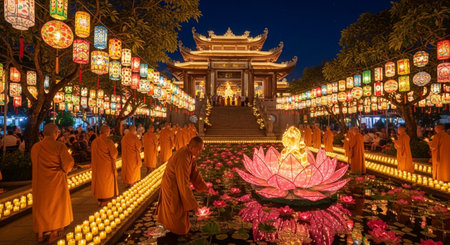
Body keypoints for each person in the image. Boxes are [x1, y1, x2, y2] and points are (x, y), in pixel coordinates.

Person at [31, 124, 74, 242]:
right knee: (55, 206)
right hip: (55, 182)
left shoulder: (36, 147)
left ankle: (40, 233)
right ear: (56, 133)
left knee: (42, 207)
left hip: (40, 183)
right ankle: (54, 232)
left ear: (43, 134)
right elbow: (67, 165)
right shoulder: (59, 146)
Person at [157, 136, 208, 235]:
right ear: (192, 147)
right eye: (199, 150)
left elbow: (194, 172)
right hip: (172, 186)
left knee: (180, 211)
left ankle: (177, 230)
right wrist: (195, 206)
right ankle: (174, 233)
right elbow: (183, 183)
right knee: (176, 212)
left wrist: (204, 187)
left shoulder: (189, 154)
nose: (200, 152)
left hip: (178, 184)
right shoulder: (183, 157)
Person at [91, 125, 119, 207]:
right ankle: (105, 200)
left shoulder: (94, 142)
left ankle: (100, 200)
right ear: (108, 132)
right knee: (106, 184)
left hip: (97, 166)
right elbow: (114, 155)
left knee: (99, 183)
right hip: (107, 167)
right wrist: (115, 148)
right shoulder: (108, 142)